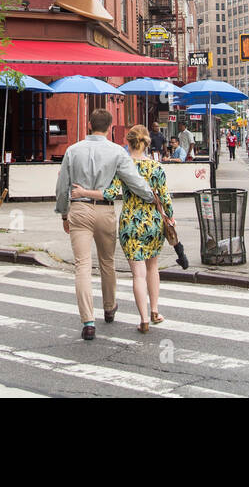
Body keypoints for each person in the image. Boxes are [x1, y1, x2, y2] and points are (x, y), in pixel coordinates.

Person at [54, 108, 154, 341]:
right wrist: (151, 196)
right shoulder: (117, 152)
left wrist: (63, 213)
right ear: (109, 128)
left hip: (79, 208)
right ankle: (109, 307)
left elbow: (62, 186)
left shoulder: (72, 150)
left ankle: (88, 321)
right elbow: (135, 181)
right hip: (105, 210)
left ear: (89, 124)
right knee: (107, 262)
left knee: (82, 266)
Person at [71, 124, 175, 334]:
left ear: (128, 143)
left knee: (138, 274)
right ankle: (155, 311)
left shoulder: (122, 166)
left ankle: (144, 319)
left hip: (131, 224)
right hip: (153, 223)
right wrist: (170, 218)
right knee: (152, 268)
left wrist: (84, 192)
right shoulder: (157, 168)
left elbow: (109, 194)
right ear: (147, 143)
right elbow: (165, 198)